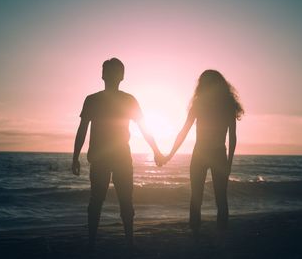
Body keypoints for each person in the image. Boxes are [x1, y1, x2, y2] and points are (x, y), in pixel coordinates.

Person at [71, 58, 163, 248]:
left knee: (112, 200)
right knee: (110, 200)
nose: (111, 75)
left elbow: (144, 128)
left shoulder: (109, 100)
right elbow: (82, 130)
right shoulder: (96, 100)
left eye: (112, 71)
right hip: (106, 157)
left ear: (118, 76)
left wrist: (155, 150)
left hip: (114, 156)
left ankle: (108, 243)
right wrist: (75, 157)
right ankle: (112, 242)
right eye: (109, 71)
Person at [163, 69, 244, 243]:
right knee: (215, 196)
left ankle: (197, 232)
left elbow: (232, 136)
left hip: (204, 153)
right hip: (212, 154)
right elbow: (184, 132)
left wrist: (169, 155)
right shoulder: (222, 105)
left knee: (203, 195)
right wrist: (169, 154)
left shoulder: (218, 105)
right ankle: (209, 231)